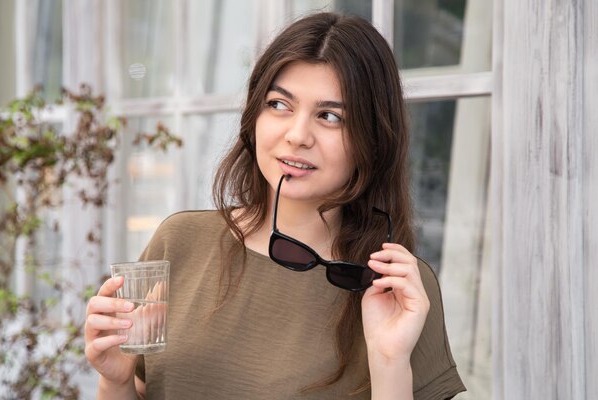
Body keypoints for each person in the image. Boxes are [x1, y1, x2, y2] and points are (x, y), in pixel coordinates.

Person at [85, 11, 466, 399]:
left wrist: (389, 363)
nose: (297, 135)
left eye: (330, 116)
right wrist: (114, 381)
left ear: (373, 138)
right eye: (279, 105)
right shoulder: (179, 242)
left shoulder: (396, 288)